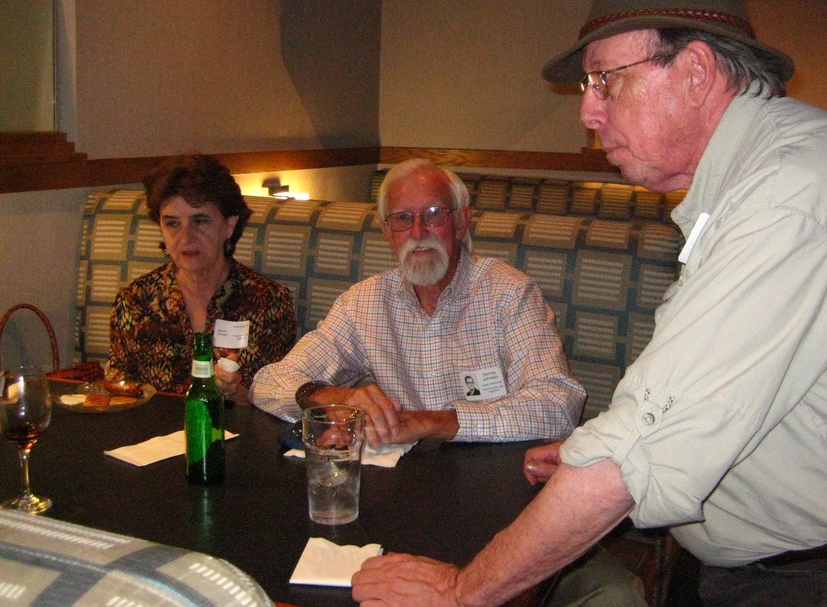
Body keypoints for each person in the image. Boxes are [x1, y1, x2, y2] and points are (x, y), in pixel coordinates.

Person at [351, 0, 827, 607]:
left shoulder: (790, 196)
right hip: (770, 558)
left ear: (696, 71)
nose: (587, 113)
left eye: (604, 81)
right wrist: (596, 452)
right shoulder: (759, 177)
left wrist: (460, 593)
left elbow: (637, 454)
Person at [251, 158, 587, 446]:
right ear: (387, 232)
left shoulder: (510, 294)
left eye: (433, 214)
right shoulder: (365, 302)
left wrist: (429, 423)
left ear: (460, 222)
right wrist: (334, 398)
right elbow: (268, 383)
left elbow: (559, 406)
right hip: (401, 477)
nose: (417, 231)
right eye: (402, 218)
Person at [106, 154, 296, 400]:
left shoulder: (269, 302)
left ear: (229, 225)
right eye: (172, 224)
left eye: (200, 221)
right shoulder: (136, 301)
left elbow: (279, 402)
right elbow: (119, 392)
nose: (185, 237)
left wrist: (236, 394)